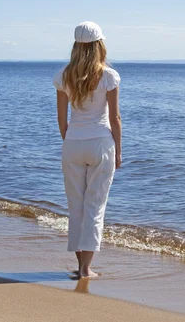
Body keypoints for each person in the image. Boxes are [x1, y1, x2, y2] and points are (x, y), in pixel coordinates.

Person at [53, 21, 122, 279]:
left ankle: (79, 265)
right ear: (99, 45)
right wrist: (119, 152)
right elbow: (115, 119)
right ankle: (86, 269)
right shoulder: (108, 76)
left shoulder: (63, 76)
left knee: (77, 206)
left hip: (72, 144)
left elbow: (62, 121)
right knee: (95, 206)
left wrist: (70, 142)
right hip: (101, 144)